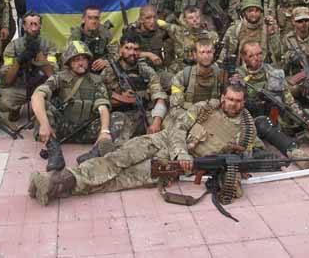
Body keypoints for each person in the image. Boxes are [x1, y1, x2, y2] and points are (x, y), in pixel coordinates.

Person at [28, 82, 259, 206]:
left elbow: (242, 159)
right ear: (223, 97)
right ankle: (56, 181)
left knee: (121, 179)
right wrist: (181, 154)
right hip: (163, 141)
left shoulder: (246, 128)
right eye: (229, 99)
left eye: (238, 101)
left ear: (244, 102)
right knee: (116, 160)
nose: (233, 104)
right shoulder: (204, 108)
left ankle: (57, 185)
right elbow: (177, 130)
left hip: (174, 167)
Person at [30, 41, 115, 171]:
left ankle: (94, 153)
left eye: (83, 59)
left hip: (88, 129)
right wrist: (44, 125)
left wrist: (104, 131)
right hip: (64, 127)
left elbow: (102, 107)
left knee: (117, 118)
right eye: (76, 60)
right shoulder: (60, 78)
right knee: (42, 108)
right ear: (69, 62)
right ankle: (54, 153)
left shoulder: (96, 81)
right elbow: (37, 96)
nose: (81, 63)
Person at [100, 34, 168, 142]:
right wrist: (120, 98)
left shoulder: (146, 71)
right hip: (122, 115)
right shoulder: (109, 71)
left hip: (144, 113)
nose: (132, 53)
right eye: (128, 48)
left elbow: (159, 96)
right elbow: (101, 100)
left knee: (168, 126)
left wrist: (156, 123)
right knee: (116, 125)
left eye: (136, 49)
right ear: (120, 49)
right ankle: (98, 151)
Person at [0, 12, 57, 121]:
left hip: (40, 87)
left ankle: (39, 111)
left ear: (40, 26)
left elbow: (52, 75)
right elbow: (7, 80)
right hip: (19, 86)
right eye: (30, 25)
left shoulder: (49, 45)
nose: (33, 28)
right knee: (3, 103)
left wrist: (39, 53)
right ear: (24, 27)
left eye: (36, 24)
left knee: (56, 100)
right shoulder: (13, 46)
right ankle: (15, 110)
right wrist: (19, 60)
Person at [218, 0, 281, 66]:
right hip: (240, 71)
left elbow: (278, 54)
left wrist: (272, 34)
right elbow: (223, 55)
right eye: (250, 11)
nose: (254, 14)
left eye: (257, 11)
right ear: (244, 12)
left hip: (263, 70)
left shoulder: (267, 27)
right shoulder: (234, 29)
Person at [158, 6, 218, 76]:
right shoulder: (178, 31)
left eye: (197, 17)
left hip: (203, 67)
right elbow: (163, 24)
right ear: (185, 19)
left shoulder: (211, 35)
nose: (195, 20)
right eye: (191, 18)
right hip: (182, 66)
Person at [168, 39, 223, 112]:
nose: (206, 56)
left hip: (213, 116)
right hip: (188, 117)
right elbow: (176, 108)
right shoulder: (182, 76)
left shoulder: (221, 75)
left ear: (213, 53)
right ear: (195, 55)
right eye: (202, 52)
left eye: (209, 52)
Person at [280, 6, 309, 100]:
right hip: (296, 75)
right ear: (293, 22)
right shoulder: (288, 39)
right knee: (288, 90)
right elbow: (281, 65)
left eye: (306, 20)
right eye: (300, 21)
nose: (304, 24)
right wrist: (290, 58)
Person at [69, 5, 114, 73]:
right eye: (90, 18)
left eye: (96, 18)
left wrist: (106, 61)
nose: (93, 21)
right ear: (83, 19)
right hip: (80, 70)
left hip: (100, 71)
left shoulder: (105, 34)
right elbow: (67, 59)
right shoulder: (76, 36)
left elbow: (117, 53)